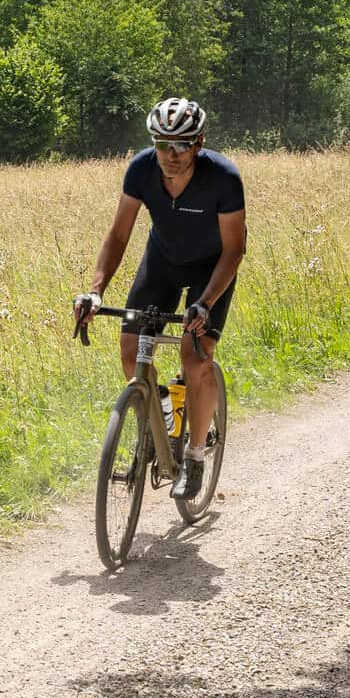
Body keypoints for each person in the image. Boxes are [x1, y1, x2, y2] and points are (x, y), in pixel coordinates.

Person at [74, 98, 247, 502]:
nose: (170, 154)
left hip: (211, 269)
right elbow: (119, 235)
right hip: (163, 261)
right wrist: (96, 290)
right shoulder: (142, 169)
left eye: (181, 145)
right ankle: (165, 409)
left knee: (194, 354)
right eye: (162, 143)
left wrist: (204, 302)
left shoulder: (223, 178)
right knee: (131, 351)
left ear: (198, 143)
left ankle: (196, 454)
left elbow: (234, 250)